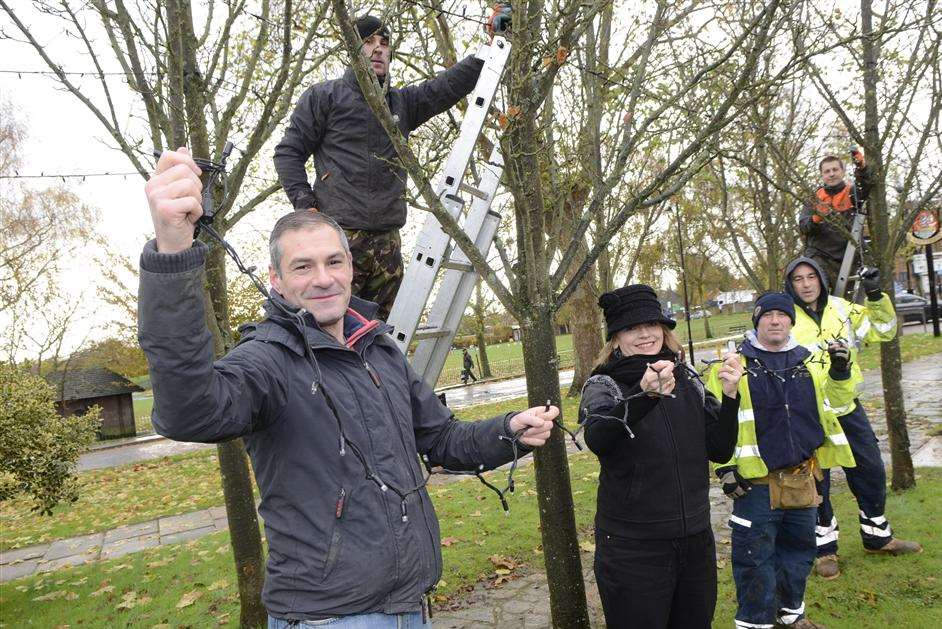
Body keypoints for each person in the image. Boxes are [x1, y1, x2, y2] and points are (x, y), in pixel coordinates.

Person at [141, 148, 556, 627]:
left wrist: (509, 430)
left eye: (334, 261)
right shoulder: (268, 362)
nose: (324, 279)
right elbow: (188, 412)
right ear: (275, 280)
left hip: (409, 606)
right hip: (329, 618)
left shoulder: (379, 350)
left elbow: (441, 440)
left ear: (351, 268)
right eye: (303, 267)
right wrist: (173, 252)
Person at [273, 11, 510, 320]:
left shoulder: (401, 103)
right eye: (368, 41)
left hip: (388, 241)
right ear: (352, 49)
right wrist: (308, 208)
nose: (378, 49)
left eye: (384, 43)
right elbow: (287, 153)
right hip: (340, 238)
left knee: (382, 337)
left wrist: (491, 44)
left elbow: (446, 86)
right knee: (331, 332)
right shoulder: (324, 97)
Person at [578, 284, 741, 629]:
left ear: (664, 329)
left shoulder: (687, 376)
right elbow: (599, 439)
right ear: (616, 337)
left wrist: (730, 398)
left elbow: (720, 449)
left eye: (652, 324)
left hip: (695, 540)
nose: (645, 334)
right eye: (632, 328)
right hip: (633, 549)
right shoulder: (603, 385)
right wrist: (643, 396)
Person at [706, 292, 858, 629]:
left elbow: (840, 401)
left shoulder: (811, 362)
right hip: (754, 487)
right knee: (754, 562)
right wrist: (724, 468)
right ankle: (756, 623)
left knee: (799, 555)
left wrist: (841, 369)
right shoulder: (731, 367)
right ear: (756, 320)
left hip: (802, 478)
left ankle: (792, 617)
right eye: (768, 315)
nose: (775, 321)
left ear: (791, 320)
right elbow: (715, 425)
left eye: (782, 315)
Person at [784, 256, 921, 580]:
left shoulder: (842, 309)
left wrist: (875, 296)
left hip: (847, 406)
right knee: (817, 480)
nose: (805, 284)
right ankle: (825, 550)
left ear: (821, 279)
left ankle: (878, 536)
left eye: (810, 277)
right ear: (790, 284)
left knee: (870, 469)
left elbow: (885, 331)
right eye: (798, 279)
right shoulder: (785, 316)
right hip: (809, 414)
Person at [798, 151, 871, 293]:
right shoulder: (815, 198)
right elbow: (803, 226)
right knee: (818, 289)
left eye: (835, 170)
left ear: (843, 172)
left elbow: (866, 186)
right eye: (827, 171)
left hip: (848, 257)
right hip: (820, 255)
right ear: (822, 175)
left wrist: (862, 169)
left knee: (850, 304)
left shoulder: (851, 192)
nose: (831, 174)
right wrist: (817, 218)